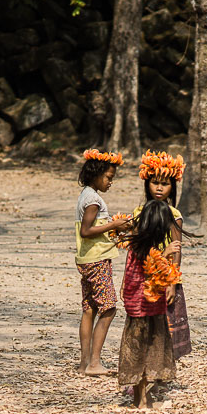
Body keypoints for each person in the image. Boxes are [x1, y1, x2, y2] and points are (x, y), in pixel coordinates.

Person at [118, 200, 185, 408]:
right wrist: (166, 254)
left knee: (142, 351)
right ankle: (142, 400)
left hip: (143, 307)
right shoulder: (146, 249)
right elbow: (148, 271)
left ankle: (141, 398)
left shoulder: (137, 245)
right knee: (143, 352)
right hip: (143, 308)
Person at [74, 149, 131, 376]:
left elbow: (90, 230)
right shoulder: (93, 200)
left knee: (89, 309)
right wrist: (113, 226)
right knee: (108, 308)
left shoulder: (85, 194)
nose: (110, 182)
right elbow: (87, 231)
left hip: (86, 259)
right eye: (108, 177)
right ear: (96, 174)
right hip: (97, 260)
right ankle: (95, 363)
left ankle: (84, 363)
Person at [133, 150, 192, 361]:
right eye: (155, 182)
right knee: (145, 323)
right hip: (145, 276)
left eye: (165, 184)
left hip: (166, 277)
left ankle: (161, 369)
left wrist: (172, 282)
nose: (159, 188)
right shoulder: (139, 212)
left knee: (166, 326)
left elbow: (176, 249)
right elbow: (135, 248)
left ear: (172, 187)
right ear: (146, 183)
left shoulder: (174, 215)